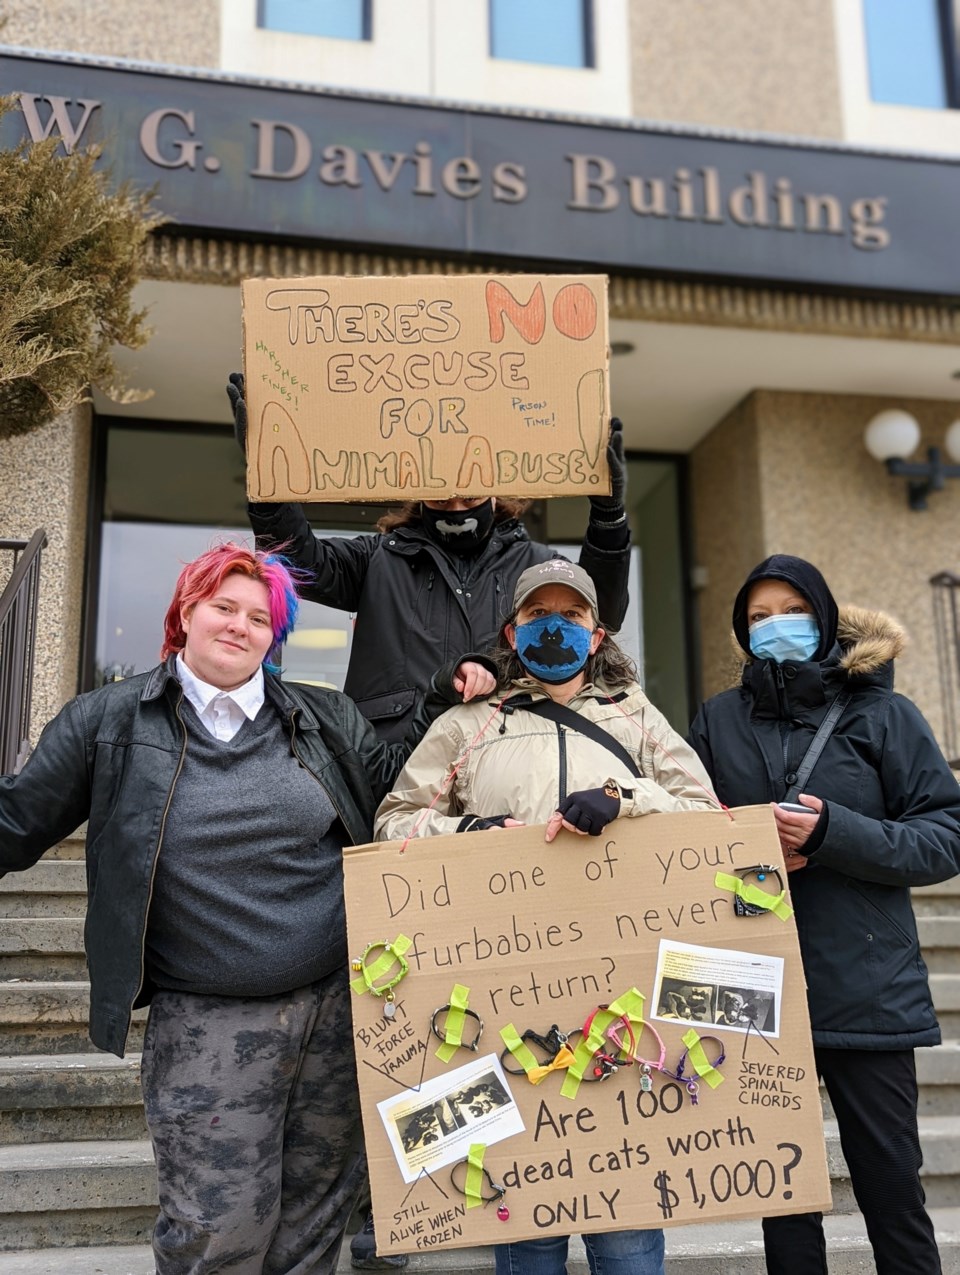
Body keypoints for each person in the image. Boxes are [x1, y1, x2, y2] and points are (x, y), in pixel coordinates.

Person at [0, 543, 493, 1275]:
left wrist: (435, 701)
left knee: (314, 1220)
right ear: (185, 613)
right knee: (214, 1230)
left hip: (338, 1012)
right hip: (206, 1023)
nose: (239, 625)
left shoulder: (324, 718)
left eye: (260, 617)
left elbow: (399, 797)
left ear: (276, 634)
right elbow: (15, 824)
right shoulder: (106, 722)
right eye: (222, 606)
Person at [374, 558, 720, 1275]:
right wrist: (466, 834)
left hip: (619, 998)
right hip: (503, 999)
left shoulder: (639, 718)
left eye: (571, 614)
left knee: (626, 1231)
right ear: (511, 630)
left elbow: (707, 819)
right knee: (526, 1214)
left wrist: (627, 799)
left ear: (596, 635)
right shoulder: (469, 722)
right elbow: (393, 825)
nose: (554, 625)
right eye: (537, 615)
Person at [687, 553, 960, 1275]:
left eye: (790, 610)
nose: (775, 625)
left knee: (892, 1189)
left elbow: (945, 836)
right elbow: (682, 832)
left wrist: (832, 832)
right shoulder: (716, 718)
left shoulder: (885, 714)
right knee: (784, 1196)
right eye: (758, 616)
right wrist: (733, 845)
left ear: (824, 615)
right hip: (750, 987)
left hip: (866, 984)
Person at [227, 373, 632, 745]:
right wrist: (267, 477)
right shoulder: (376, 560)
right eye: (440, 497)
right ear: (417, 493)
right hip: (394, 763)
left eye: (470, 496)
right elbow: (297, 562)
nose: (456, 508)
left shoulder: (537, 567)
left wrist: (608, 519)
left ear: (496, 491)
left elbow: (602, 611)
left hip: (509, 754)